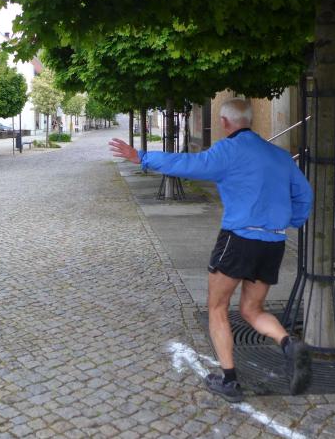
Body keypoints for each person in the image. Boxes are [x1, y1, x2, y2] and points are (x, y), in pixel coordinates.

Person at [109, 98, 314, 403]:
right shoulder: (280, 156)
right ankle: (288, 344)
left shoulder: (227, 151)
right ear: (250, 120)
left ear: (225, 122)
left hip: (238, 240)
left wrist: (142, 157)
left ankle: (229, 381)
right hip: (273, 242)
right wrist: (290, 220)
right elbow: (305, 194)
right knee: (252, 309)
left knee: (217, 307)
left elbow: (190, 164)